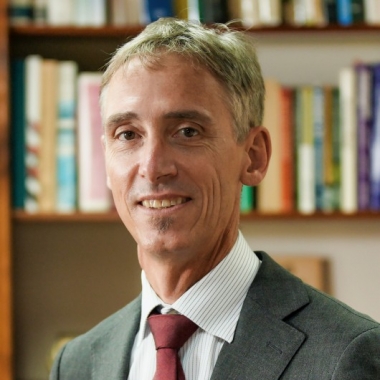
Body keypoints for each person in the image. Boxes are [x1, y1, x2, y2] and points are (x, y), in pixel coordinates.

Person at [50, 18, 380, 379]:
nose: (152, 167)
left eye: (187, 131)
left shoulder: (347, 355)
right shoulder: (77, 364)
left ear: (254, 156)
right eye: (127, 135)